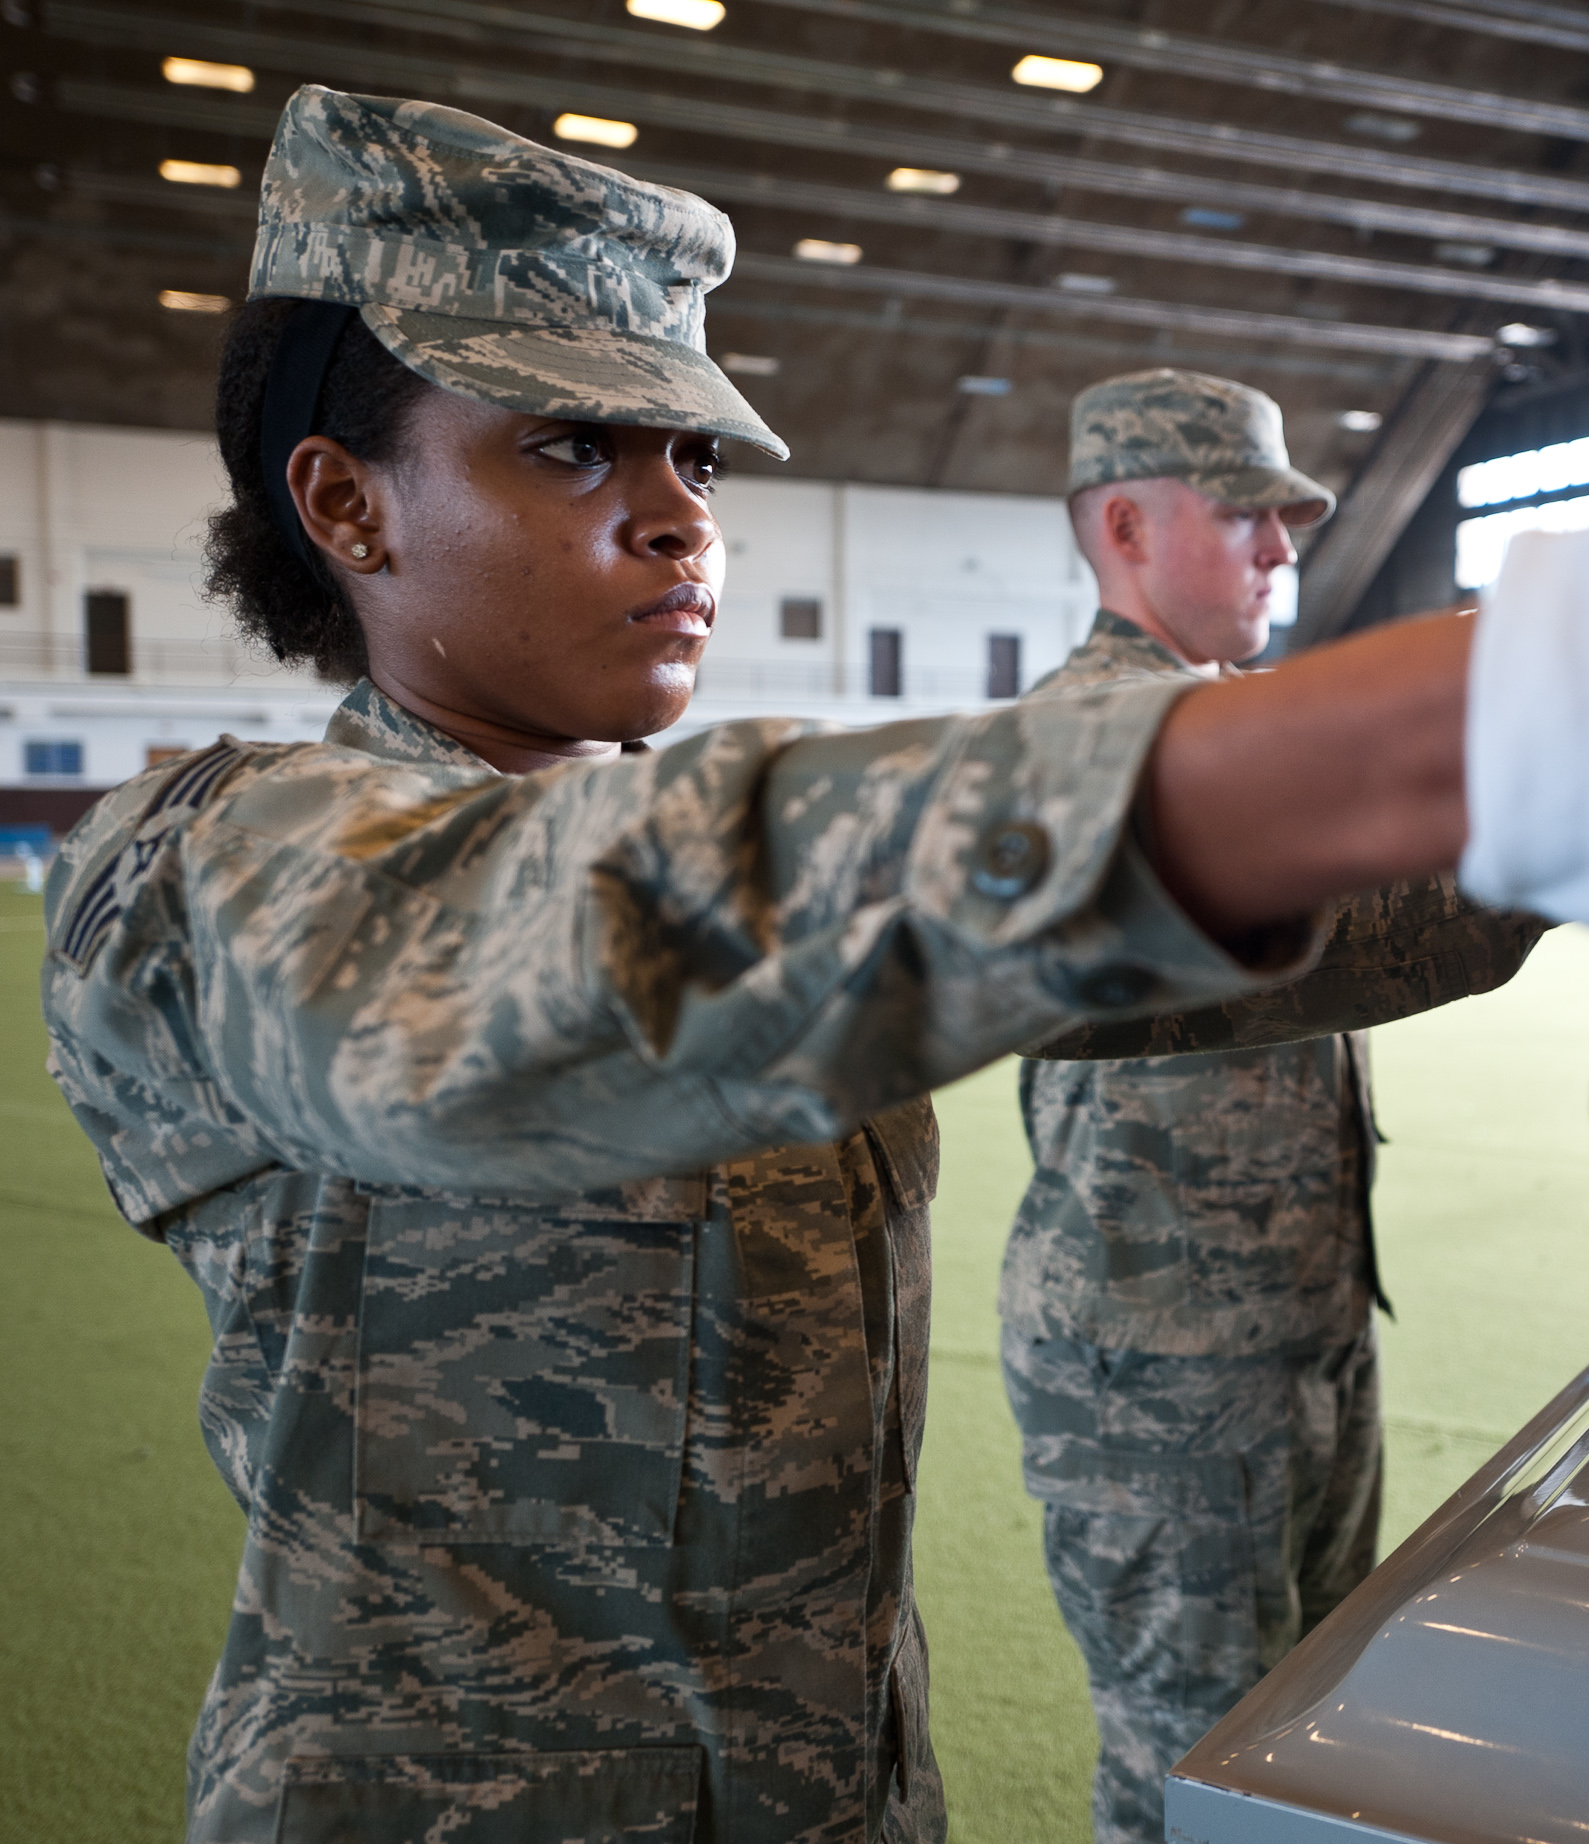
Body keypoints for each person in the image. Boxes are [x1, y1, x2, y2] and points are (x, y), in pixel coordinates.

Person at [35, 89, 1499, 1844]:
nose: (678, 517)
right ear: (348, 502)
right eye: (573, 446)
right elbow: (520, 947)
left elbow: (1300, 940)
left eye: (696, 457)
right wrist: (1478, 701)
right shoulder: (203, 863)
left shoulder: (733, 864)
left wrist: (1577, 793)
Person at [1001, 371, 1463, 1844]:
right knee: (1186, 1774)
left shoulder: (1233, 726)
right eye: (1249, 515)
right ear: (1126, 525)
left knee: (1306, 1749)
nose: (1284, 550)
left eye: (1294, 521)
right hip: (1158, 1370)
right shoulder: (1085, 744)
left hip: (1300, 1334)